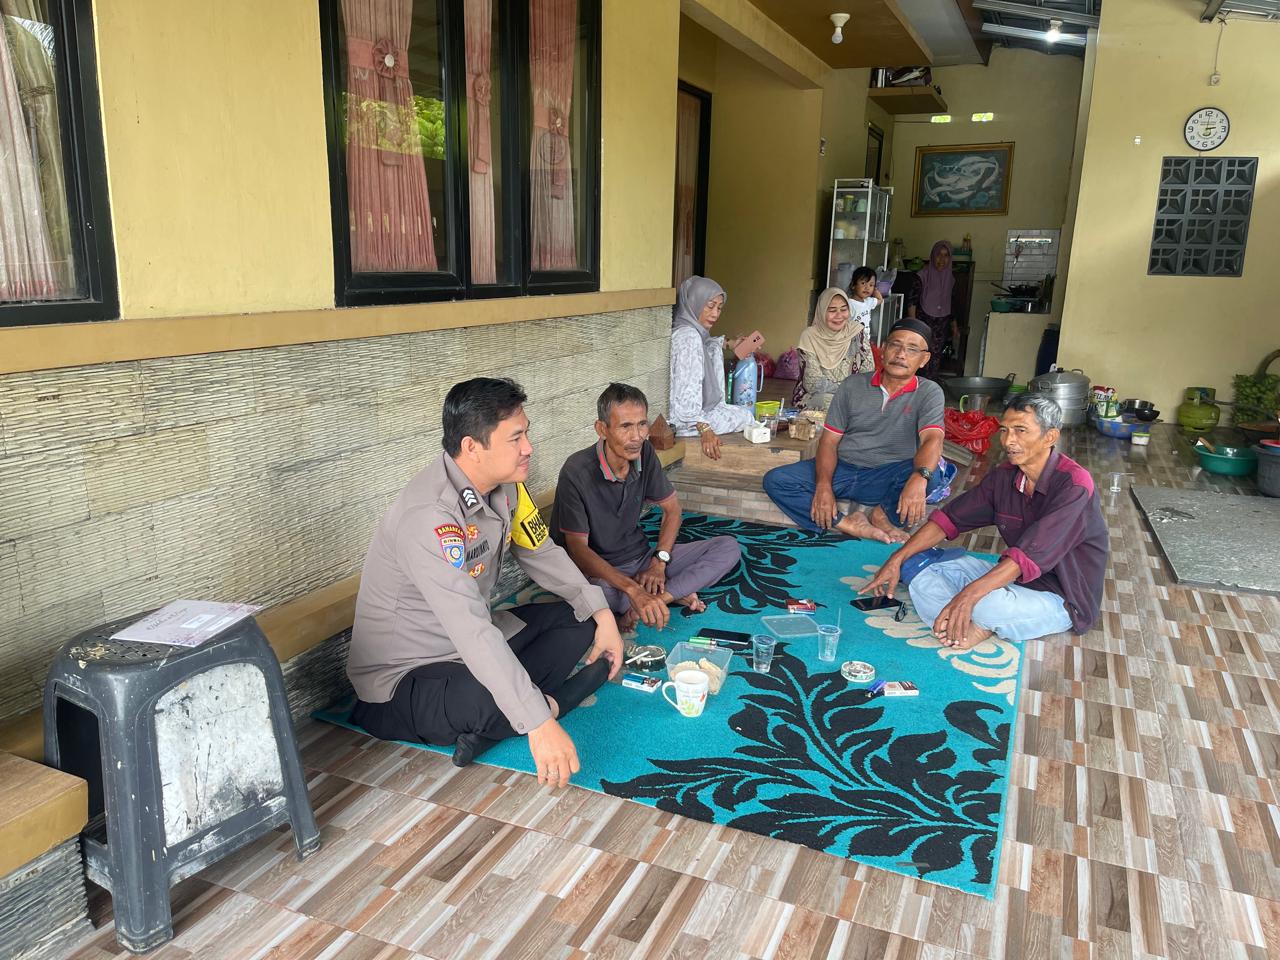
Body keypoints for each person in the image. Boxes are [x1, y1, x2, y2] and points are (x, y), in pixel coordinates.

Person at [346, 378, 624, 788]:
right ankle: (545, 705)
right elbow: (469, 628)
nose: (529, 447)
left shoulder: (507, 486)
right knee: (485, 698)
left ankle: (509, 715)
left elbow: (540, 550)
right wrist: (539, 722)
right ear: (472, 447)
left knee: (580, 617)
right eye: (516, 438)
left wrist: (603, 615)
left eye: (526, 433)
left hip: (471, 644)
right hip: (405, 677)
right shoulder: (430, 517)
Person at [862, 393, 1107, 650]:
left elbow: (1028, 556)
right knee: (914, 561)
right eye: (1004, 430)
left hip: (1061, 596)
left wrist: (969, 596)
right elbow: (948, 519)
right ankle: (963, 623)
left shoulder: (1074, 485)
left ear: (1050, 437)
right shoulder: (1004, 477)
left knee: (984, 604)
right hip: (1012, 578)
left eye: (1020, 430)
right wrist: (897, 558)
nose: (1008, 441)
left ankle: (970, 619)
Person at [551, 383, 741, 631]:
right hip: (602, 572)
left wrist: (659, 562)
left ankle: (659, 598)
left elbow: (672, 509)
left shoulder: (644, 452)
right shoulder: (576, 471)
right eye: (625, 426)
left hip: (642, 560)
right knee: (597, 595)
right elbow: (578, 551)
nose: (637, 436)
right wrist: (632, 589)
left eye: (642, 424)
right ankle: (665, 592)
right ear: (602, 429)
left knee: (728, 548)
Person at [763, 319, 947, 543]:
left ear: (924, 359)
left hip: (887, 476)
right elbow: (829, 441)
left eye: (912, 349)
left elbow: (933, 439)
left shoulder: (929, 392)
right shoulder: (853, 385)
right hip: (843, 470)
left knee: (931, 476)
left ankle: (882, 515)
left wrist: (919, 478)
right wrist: (823, 485)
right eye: (895, 345)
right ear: (883, 349)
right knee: (777, 480)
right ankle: (848, 523)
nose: (901, 354)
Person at [668, 275, 754, 461]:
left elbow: (707, 343)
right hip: (686, 421)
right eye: (710, 306)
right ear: (694, 302)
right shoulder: (689, 337)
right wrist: (705, 429)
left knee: (743, 414)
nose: (715, 314)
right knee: (746, 417)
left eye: (719, 308)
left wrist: (729, 343)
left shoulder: (688, 330)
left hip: (693, 415)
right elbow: (686, 394)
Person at [793, 282, 876, 412]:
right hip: (819, 395)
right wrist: (846, 392)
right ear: (822, 311)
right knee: (826, 401)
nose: (839, 316)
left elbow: (868, 372)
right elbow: (812, 382)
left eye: (843, 309)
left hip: (853, 394)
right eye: (832, 310)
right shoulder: (810, 336)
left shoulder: (857, 332)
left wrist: (853, 393)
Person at [906, 240, 958, 377]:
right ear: (933, 256)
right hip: (923, 320)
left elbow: (951, 303)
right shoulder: (922, 276)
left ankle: (930, 383)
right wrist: (913, 325)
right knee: (920, 353)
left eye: (946, 255)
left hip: (942, 323)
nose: (942, 259)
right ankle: (916, 383)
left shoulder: (951, 279)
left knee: (935, 355)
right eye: (938, 255)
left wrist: (954, 326)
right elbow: (912, 301)